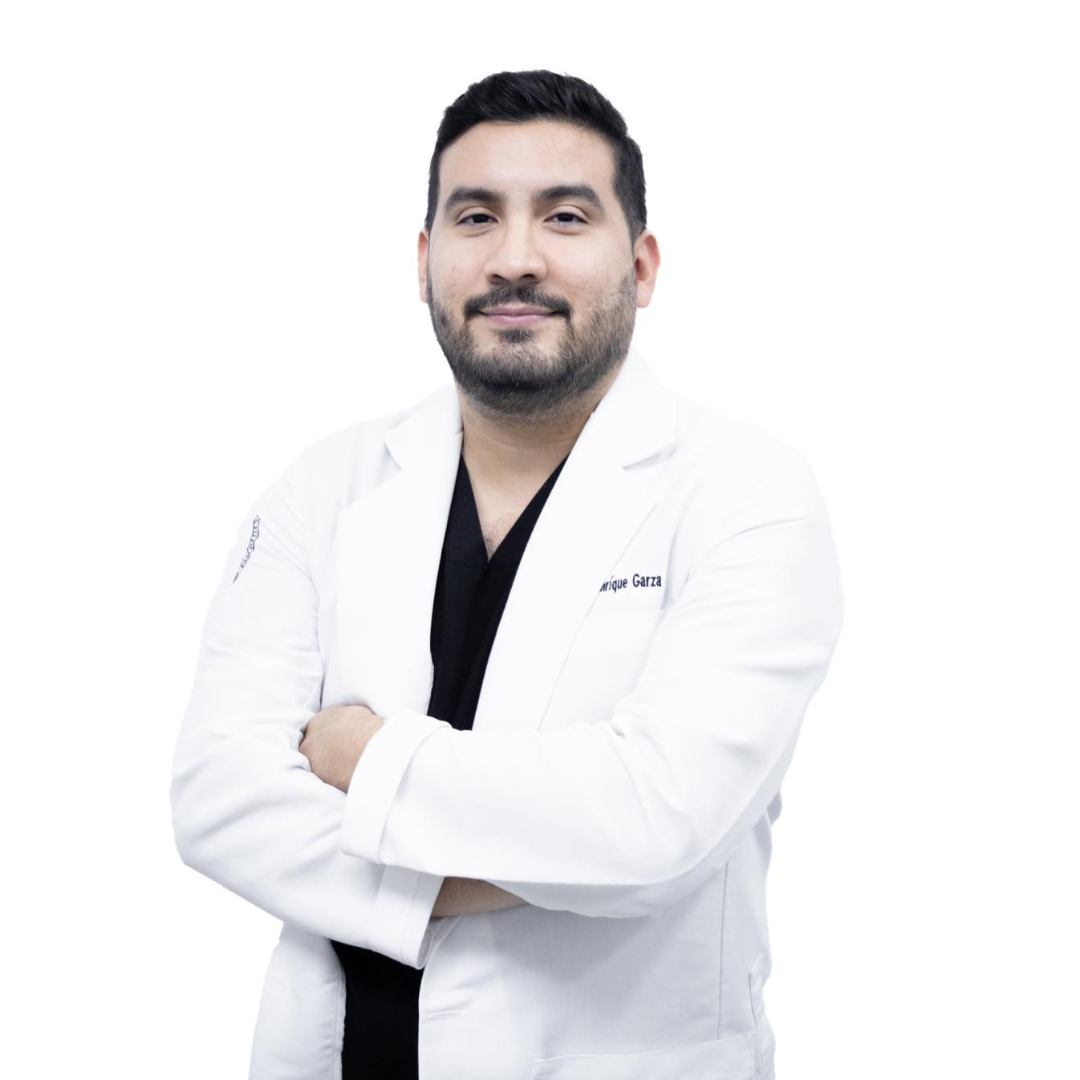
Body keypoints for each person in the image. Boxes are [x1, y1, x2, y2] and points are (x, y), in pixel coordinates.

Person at [171, 69, 845, 1080]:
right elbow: (217, 799)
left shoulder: (747, 494)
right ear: (425, 260)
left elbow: (656, 819)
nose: (516, 258)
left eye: (566, 216)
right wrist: (541, 861)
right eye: (476, 216)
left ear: (642, 265)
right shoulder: (325, 486)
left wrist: (365, 756)